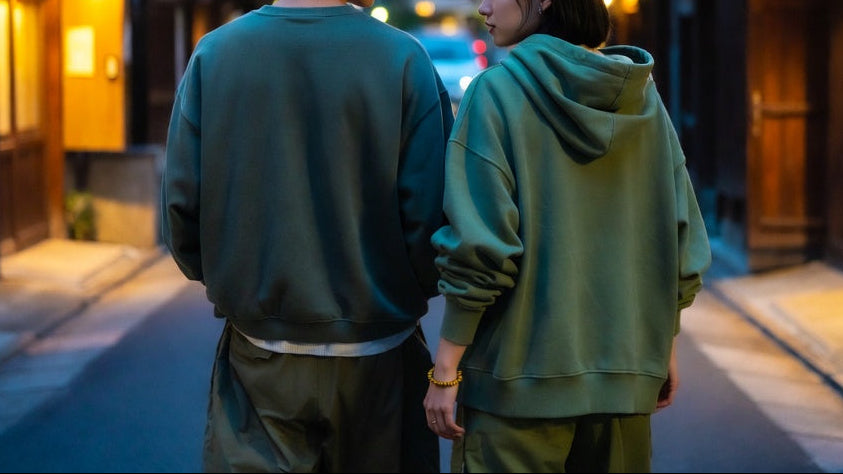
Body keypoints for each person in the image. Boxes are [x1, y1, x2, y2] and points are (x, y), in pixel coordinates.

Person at [159, 0, 454, 471]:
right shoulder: (403, 58)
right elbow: (432, 215)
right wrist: (406, 287)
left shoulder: (215, 55)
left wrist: (228, 278)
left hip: (260, 352)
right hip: (378, 351)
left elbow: (182, 206)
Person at [422, 0, 712, 472]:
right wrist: (664, 345)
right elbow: (679, 236)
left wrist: (446, 370)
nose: (482, 7)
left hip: (514, 388)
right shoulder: (643, 99)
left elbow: (481, 245)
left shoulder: (496, 93)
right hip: (626, 378)